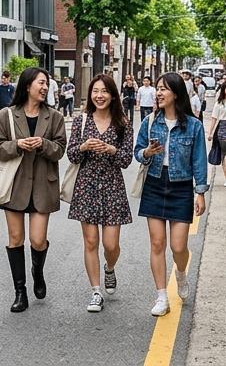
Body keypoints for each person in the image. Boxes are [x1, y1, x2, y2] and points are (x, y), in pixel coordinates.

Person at [0, 66, 66, 313]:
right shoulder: (5, 116)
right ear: (27, 86)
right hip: (15, 185)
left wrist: (43, 144)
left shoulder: (54, 117)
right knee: (15, 238)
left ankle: (38, 270)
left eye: (46, 83)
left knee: (38, 239)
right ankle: (20, 292)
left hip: (43, 185)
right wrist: (18, 145)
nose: (45, 87)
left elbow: (60, 150)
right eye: (40, 83)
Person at [134, 73, 208, 316]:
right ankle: (161, 297)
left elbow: (199, 160)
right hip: (155, 184)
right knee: (157, 243)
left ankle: (181, 273)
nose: (158, 93)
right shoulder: (150, 122)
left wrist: (200, 192)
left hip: (181, 186)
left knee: (178, 246)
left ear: (176, 93)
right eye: (157, 88)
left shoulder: (194, 125)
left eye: (163, 89)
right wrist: (147, 153)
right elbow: (138, 152)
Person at [66, 74, 133, 313]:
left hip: (113, 187)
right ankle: (96, 292)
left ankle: (110, 268)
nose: (99, 95)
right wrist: (84, 146)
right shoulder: (81, 121)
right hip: (87, 187)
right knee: (91, 241)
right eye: (95, 91)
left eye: (104, 91)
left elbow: (126, 159)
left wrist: (111, 149)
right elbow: (71, 154)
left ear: (113, 95)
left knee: (111, 245)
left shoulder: (122, 123)